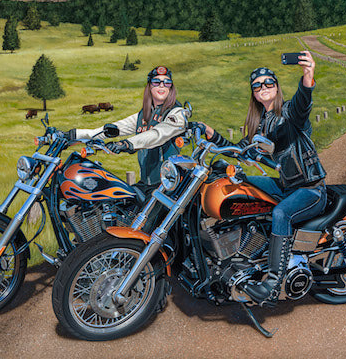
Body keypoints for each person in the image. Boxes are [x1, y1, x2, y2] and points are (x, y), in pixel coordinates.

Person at [199, 51, 328, 306]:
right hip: (286, 186)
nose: (263, 87)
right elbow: (238, 150)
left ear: (277, 87)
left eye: (269, 82)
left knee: (281, 214)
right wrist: (210, 134)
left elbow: (303, 103)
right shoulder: (261, 125)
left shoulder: (290, 113)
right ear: (254, 93)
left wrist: (308, 74)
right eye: (257, 85)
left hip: (311, 189)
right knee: (238, 185)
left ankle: (271, 284)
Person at [66, 66, 189, 189]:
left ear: (171, 88)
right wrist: (76, 134)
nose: (162, 86)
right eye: (156, 82)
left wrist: (126, 144)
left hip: (168, 186)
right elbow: (117, 128)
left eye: (167, 83)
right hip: (147, 184)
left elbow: (157, 135)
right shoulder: (145, 114)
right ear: (149, 86)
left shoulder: (177, 114)